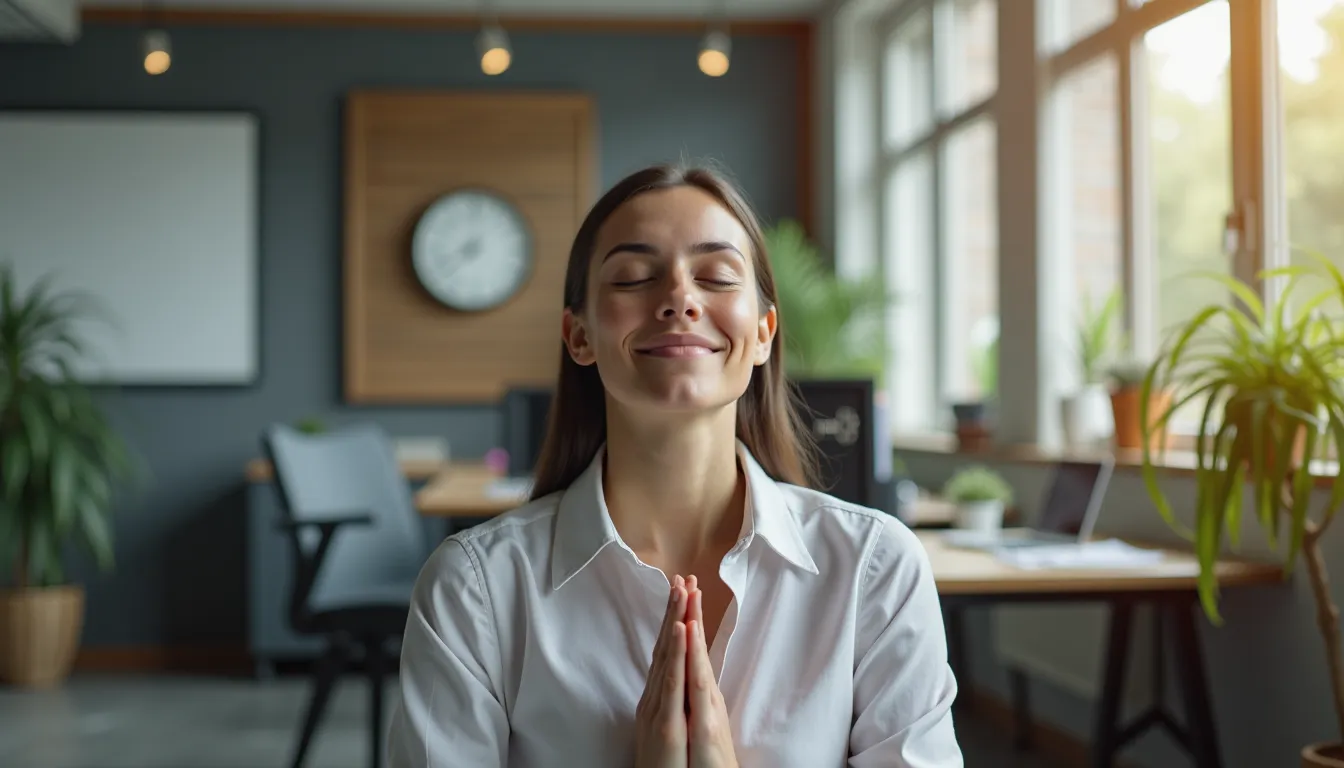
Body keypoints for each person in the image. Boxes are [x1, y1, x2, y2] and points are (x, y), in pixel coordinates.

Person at [385, 163, 962, 767]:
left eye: (716, 276)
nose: (680, 299)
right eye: (634, 278)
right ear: (578, 335)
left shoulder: (875, 570)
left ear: (763, 333)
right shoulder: (475, 590)